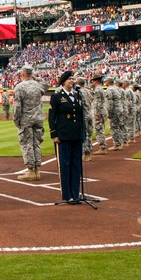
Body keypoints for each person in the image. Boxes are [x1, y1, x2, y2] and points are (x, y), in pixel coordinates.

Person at [49, 71, 85, 204]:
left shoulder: (77, 96)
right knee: (65, 165)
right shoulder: (57, 96)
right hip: (63, 135)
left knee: (76, 165)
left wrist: (82, 134)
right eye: (70, 79)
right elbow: (52, 117)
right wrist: (54, 134)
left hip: (76, 135)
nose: (72, 81)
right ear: (63, 81)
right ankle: (67, 195)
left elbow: (80, 117)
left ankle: (75, 194)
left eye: (73, 78)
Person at [12, 65, 51, 181]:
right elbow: (47, 85)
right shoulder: (38, 85)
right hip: (38, 118)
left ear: (22, 74)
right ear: (31, 74)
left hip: (26, 119)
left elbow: (17, 106)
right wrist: (36, 78)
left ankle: (30, 171)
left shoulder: (19, 87)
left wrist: (16, 120)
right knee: (36, 143)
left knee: (26, 144)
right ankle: (37, 170)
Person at [88, 74, 109, 155]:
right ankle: (103, 146)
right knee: (101, 129)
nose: (91, 82)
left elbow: (98, 103)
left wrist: (97, 113)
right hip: (101, 111)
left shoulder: (97, 90)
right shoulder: (100, 89)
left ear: (95, 81)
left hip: (98, 112)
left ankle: (102, 147)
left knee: (99, 129)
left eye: (92, 81)